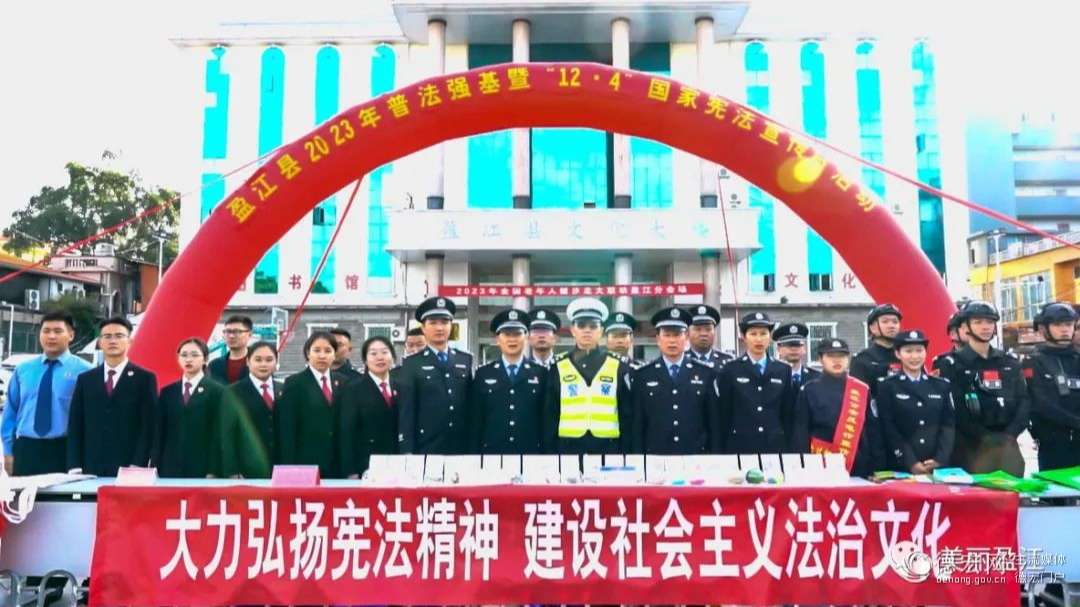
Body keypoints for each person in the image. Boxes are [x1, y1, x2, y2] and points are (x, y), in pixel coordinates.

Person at [933, 301, 1028, 476]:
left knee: (1013, 491)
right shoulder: (951, 364)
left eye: (990, 322)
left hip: (1008, 446)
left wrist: (1011, 433)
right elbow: (954, 409)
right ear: (965, 327)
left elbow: (1024, 401)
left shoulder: (1009, 361)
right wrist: (985, 437)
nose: (985, 327)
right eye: (978, 322)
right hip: (969, 449)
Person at [1, 311, 94, 476]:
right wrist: (8, 451)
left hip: (65, 449)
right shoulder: (23, 370)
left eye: (58, 331)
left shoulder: (86, 372)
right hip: (26, 449)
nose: (51, 336)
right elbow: (11, 412)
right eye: (46, 331)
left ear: (71, 335)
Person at [66, 317, 158, 476]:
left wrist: (138, 463)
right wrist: (75, 465)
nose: (113, 341)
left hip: (129, 465)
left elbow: (149, 425)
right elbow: (76, 424)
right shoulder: (86, 379)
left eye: (119, 336)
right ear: (100, 342)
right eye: (107, 336)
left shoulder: (145, 378)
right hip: (90, 465)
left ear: (130, 341)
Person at [544, 297, 632, 455]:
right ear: (573, 330)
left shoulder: (618, 366)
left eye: (593, 326)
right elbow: (550, 416)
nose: (587, 330)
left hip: (609, 449)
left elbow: (627, 416)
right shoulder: (557, 366)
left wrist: (625, 454)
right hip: (568, 450)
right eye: (581, 325)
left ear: (601, 331)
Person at [630, 307, 720, 454]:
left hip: (695, 455)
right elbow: (637, 425)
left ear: (686, 337)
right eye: (667, 335)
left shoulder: (705, 373)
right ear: (658, 339)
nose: (672, 341)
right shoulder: (643, 375)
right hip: (656, 456)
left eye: (677, 335)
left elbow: (714, 423)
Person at [791, 338, 882, 477]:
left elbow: (873, 431)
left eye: (842, 356)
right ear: (820, 359)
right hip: (820, 465)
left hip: (858, 466)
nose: (837, 361)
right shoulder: (809, 390)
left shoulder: (861, 389)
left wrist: (877, 467)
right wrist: (803, 466)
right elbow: (801, 433)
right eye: (831, 356)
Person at [397, 297, 473, 454]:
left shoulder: (465, 359)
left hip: (461, 445)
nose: (439, 328)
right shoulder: (412, 363)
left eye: (444, 322)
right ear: (423, 328)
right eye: (433, 323)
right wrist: (407, 449)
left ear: (451, 326)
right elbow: (407, 410)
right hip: (427, 445)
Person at [876, 330, 955, 474]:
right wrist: (910, 462)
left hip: (937, 465)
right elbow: (889, 427)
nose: (914, 356)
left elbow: (948, 425)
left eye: (919, 351)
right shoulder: (887, 386)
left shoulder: (941, 385)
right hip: (901, 465)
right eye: (908, 351)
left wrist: (940, 459)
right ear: (898, 354)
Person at [469, 309, 546, 454]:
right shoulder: (483, 374)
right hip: (492, 454)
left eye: (517, 334)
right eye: (506, 334)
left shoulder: (540, 373)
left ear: (526, 337)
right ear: (497, 339)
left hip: (530, 455)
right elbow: (475, 421)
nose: (512, 339)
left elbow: (545, 419)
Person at [716, 312, 794, 454]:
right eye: (753, 334)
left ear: (770, 336)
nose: (759, 339)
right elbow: (724, 413)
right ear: (743, 337)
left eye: (763, 333)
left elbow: (787, 414)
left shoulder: (783, 370)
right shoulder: (731, 369)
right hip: (740, 446)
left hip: (775, 446)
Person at [153, 338, 226, 478]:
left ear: (205, 359)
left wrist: (213, 470)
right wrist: (155, 465)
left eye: (194, 355)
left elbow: (218, 434)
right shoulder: (168, 392)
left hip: (202, 466)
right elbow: (160, 432)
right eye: (184, 355)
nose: (188, 359)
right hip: (169, 466)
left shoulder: (218, 392)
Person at [275, 331, 342, 477]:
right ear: (308, 353)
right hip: (305, 462)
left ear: (334, 355)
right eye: (317, 350)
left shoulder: (343, 382)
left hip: (338, 463)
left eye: (328, 351)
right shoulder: (294, 383)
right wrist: (288, 467)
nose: (322, 355)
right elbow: (287, 428)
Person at [1023, 302, 1080, 471]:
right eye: (1058, 325)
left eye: (1068, 324)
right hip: (1054, 444)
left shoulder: (1077, 358)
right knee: (1056, 487)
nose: (1065, 329)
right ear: (1043, 329)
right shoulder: (1034, 361)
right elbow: (1041, 403)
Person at [337, 336, 400, 479]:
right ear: (365, 360)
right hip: (366, 464)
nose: (380, 357)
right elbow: (346, 432)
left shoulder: (402, 386)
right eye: (373, 353)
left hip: (397, 461)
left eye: (384, 352)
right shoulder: (353, 389)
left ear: (392, 357)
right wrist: (350, 470)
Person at [219, 341, 281, 479]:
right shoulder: (232, 392)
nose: (263, 364)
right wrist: (231, 470)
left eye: (269, 360)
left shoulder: (284, 389)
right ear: (248, 362)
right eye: (258, 360)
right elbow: (227, 434)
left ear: (276, 362)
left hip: (280, 469)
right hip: (247, 468)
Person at [850, 304, 904, 396]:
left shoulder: (907, 357)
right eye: (885, 321)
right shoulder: (862, 359)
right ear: (872, 328)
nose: (891, 326)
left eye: (895, 322)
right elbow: (857, 396)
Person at [773, 322, 819, 390]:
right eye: (789, 344)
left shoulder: (817, 378)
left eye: (798, 344)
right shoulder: (770, 376)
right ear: (778, 349)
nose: (793, 349)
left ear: (804, 348)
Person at [685, 304, 734, 368]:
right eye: (698, 329)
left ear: (714, 332)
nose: (703, 334)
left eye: (708, 329)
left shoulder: (728, 362)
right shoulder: (680, 361)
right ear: (687, 333)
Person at [208, 315, 252, 384]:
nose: (231, 336)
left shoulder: (259, 363)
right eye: (228, 331)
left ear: (249, 335)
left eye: (237, 331)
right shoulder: (214, 365)